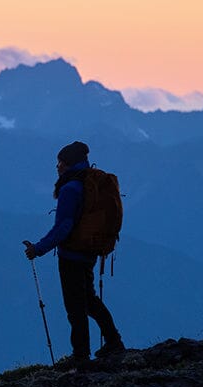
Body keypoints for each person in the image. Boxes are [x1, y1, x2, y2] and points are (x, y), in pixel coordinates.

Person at [24, 141, 125, 366]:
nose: (57, 167)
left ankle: (80, 355)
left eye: (60, 162)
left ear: (69, 163)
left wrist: (38, 249)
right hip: (89, 252)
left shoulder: (70, 188)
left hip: (72, 255)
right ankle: (113, 341)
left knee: (75, 307)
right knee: (89, 300)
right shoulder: (89, 182)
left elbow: (63, 227)